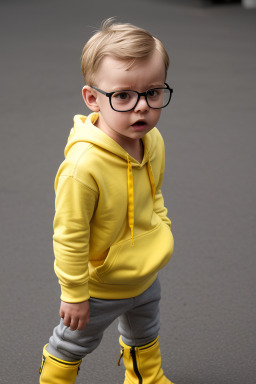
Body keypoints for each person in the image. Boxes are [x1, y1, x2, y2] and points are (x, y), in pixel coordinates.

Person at [39, 18, 175, 384]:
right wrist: (74, 294)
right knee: (71, 345)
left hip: (144, 276)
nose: (141, 107)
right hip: (99, 286)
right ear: (93, 98)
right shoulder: (83, 167)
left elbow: (154, 195)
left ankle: (147, 378)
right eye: (123, 95)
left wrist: (160, 229)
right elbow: (69, 234)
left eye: (153, 92)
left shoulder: (153, 141)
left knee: (145, 333)